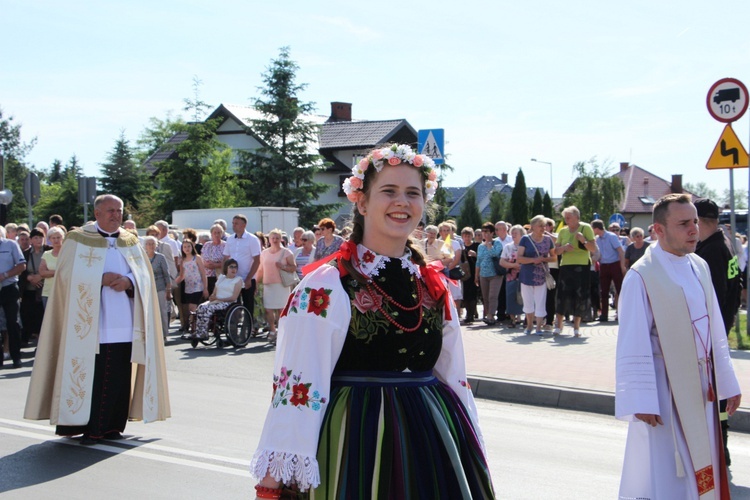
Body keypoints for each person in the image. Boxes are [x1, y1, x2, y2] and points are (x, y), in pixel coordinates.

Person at [251, 144, 495, 499]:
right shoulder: (327, 283)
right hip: (357, 437)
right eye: (389, 191)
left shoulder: (431, 283)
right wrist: (274, 483)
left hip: (432, 437)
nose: (403, 201)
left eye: (413, 193)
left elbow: (454, 375)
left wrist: (469, 443)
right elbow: (299, 386)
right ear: (362, 203)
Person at [616, 193, 741, 499]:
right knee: (668, 474)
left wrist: (727, 382)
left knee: (704, 467)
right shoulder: (641, 276)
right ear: (658, 230)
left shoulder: (698, 265)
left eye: (695, 221)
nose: (694, 229)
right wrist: (641, 399)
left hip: (702, 390)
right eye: (684, 223)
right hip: (664, 393)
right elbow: (632, 340)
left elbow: (714, 332)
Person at [24, 194, 170, 444]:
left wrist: (128, 281)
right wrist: (98, 280)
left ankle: (113, 426)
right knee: (94, 374)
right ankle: (92, 428)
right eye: (111, 210)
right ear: (97, 214)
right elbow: (65, 277)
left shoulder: (131, 240)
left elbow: (144, 276)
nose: (116, 215)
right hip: (91, 323)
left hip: (125, 319)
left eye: (119, 210)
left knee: (122, 373)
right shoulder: (78, 239)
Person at [695, 198, 742, 467]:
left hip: (712, 335)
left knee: (715, 397)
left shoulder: (710, 253)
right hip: (721, 330)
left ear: (700, 221)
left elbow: (712, 298)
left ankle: (719, 450)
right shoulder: (723, 243)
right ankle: (720, 449)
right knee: (718, 395)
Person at [554, 206, 597, 337]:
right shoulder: (562, 231)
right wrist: (564, 248)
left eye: (569, 217)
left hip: (582, 266)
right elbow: (556, 251)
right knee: (562, 295)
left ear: (577, 217)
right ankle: (558, 324)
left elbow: (593, 249)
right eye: (565, 218)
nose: (566, 220)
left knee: (580, 295)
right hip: (566, 266)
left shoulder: (586, 228)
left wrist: (583, 240)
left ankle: (576, 327)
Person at [517, 215, 556, 335]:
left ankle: (538, 328)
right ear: (533, 227)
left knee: (540, 302)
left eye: (544, 226)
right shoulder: (525, 239)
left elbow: (554, 257)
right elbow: (519, 258)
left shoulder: (548, 240)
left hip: (541, 276)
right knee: (528, 302)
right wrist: (534, 260)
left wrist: (543, 259)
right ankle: (529, 326)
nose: (543, 228)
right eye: (540, 226)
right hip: (526, 276)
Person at [256, 229, 296, 343]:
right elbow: (260, 269)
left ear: (281, 239)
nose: (275, 240)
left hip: (281, 285)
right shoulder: (264, 253)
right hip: (268, 284)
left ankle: (281, 330)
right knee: (268, 309)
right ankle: (272, 330)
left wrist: (283, 266)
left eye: (277, 238)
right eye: (272, 238)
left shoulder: (287, 252)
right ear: (269, 240)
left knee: (281, 310)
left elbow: (293, 267)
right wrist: (255, 282)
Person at [193, 259, 243, 340]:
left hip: (228, 303)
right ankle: (200, 332)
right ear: (226, 268)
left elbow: (234, 297)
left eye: (235, 267)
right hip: (216, 301)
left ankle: (203, 333)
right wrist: (212, 297)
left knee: (208, 308)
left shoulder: (238, 280)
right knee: (201, 307)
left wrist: (218, 298)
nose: (234, 269)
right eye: (231, 267)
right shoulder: (221, 278)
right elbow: (214, 293)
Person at [223, 215, 262, 317]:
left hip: (246, 278)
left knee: (248, 305)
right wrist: (225, 276)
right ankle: (234, 329)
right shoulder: (230, 239)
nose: (234, 225)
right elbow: (226, 258)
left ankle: (248, 329)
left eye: (236, 223)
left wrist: (249, 278)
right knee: (232, 304)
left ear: (244, 225)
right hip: (232, 278)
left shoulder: (252, 239)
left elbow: (257, 260)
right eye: (233, 223)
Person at [0, 227, 26, 369]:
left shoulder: (11, 245)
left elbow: (21, 265)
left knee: (13, 322)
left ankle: (16, 357)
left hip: (9, 287)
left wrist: (4, 275)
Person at [591, 219, 626, 322]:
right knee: (604, 291)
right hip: (604, 265)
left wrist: (622, 266)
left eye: (592, 228)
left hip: (614, 264)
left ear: (597, 228)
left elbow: (621, 251)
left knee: (620, 290)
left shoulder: (611, 236)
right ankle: (604, 315)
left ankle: (622, 313)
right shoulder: (596, 239)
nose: (592, 230)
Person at [20, 228, 48, 343]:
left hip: (46, 289)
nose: (38, 240)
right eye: (36, 237)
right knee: (28, 316)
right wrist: (29, 277)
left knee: (44, 317)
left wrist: (40, 276)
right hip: (29, 290)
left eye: (41, 237)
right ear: (31, 240)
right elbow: (21, 271)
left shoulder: (48, 251)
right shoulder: (26, 254)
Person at [176, 239, 208, 336]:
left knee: (193, 307)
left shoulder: (197, 258)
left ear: (192, 247)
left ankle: (194, 328)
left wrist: (205, 288)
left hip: (198, 286)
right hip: (188, 287)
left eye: (188, 246)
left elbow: (203, 273)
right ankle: (193, 326)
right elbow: (182, 276)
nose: (187, 249)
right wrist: (172, 284)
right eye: (185, 247)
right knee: (188, 309)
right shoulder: (182, 260)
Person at [144, 235, 172, 343]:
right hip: (148, 289)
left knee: (162, 311)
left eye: (153, 244)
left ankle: (164, 334)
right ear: (145, 246)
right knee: (149, 313)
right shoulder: (143, 257)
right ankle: (151, 335)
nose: (151, 246)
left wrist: (168, 290)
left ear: (156, 245)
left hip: (160, 288)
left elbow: (166, 274)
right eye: (148, 244)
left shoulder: (161, 258)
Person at [475, 222, 503, 325]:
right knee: (485, 297)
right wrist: (476, 275)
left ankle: (491, 315)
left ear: (492, 233)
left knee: (493, 296)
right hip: (483, 274)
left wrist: (489, 245)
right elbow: (478, 261)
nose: (485, 234)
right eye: (483, 232)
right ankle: (488, 315)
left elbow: (494, 254)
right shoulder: (480, 246)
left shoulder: (497, 243)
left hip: (495, 274)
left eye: (487, 232)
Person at [500, 225, 526, 327]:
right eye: (513, 233)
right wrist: (513, 265)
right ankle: (512, 319)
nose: (514, 235)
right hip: (511, 276)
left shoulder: (526, 246)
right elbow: (502, 261)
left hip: (524, 276)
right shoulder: (508, 247)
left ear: (522, 235)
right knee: (510, 296)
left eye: (516, 233)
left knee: (525, 297)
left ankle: (526, 319)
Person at [38, 226, 65, 309]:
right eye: (53, 238)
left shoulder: (67, 254)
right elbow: (42, 272)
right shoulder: (46, 254)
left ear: (63, 238)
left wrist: (50, 272)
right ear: (49, 239)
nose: (56, 240)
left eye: (58, 237)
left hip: (63, 292)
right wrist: (58, 272)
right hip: (48, 293)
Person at [460, 226, 479, 324]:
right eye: (465, 236)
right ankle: (468, 314)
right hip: (464, 274)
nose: (467, 238)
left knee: (473, 295)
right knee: (465, 295)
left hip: (474, 273)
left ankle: (471, 314)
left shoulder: (476, 246)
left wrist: (475, 254)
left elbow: (481, 259)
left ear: (472, 236)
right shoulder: (461, 247)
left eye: (469, 236)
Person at [200, 223, 226, 296]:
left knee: (217, 296)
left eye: (219, 232)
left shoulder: (225, 245)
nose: (217, 235)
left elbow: (228, 261)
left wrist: (216, 265)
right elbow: (201, 258)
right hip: (206, 276)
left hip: (219, 276)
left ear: (222, 234)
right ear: (211, 234)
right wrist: (206, 264)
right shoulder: (207, 245)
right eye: (215, 233)